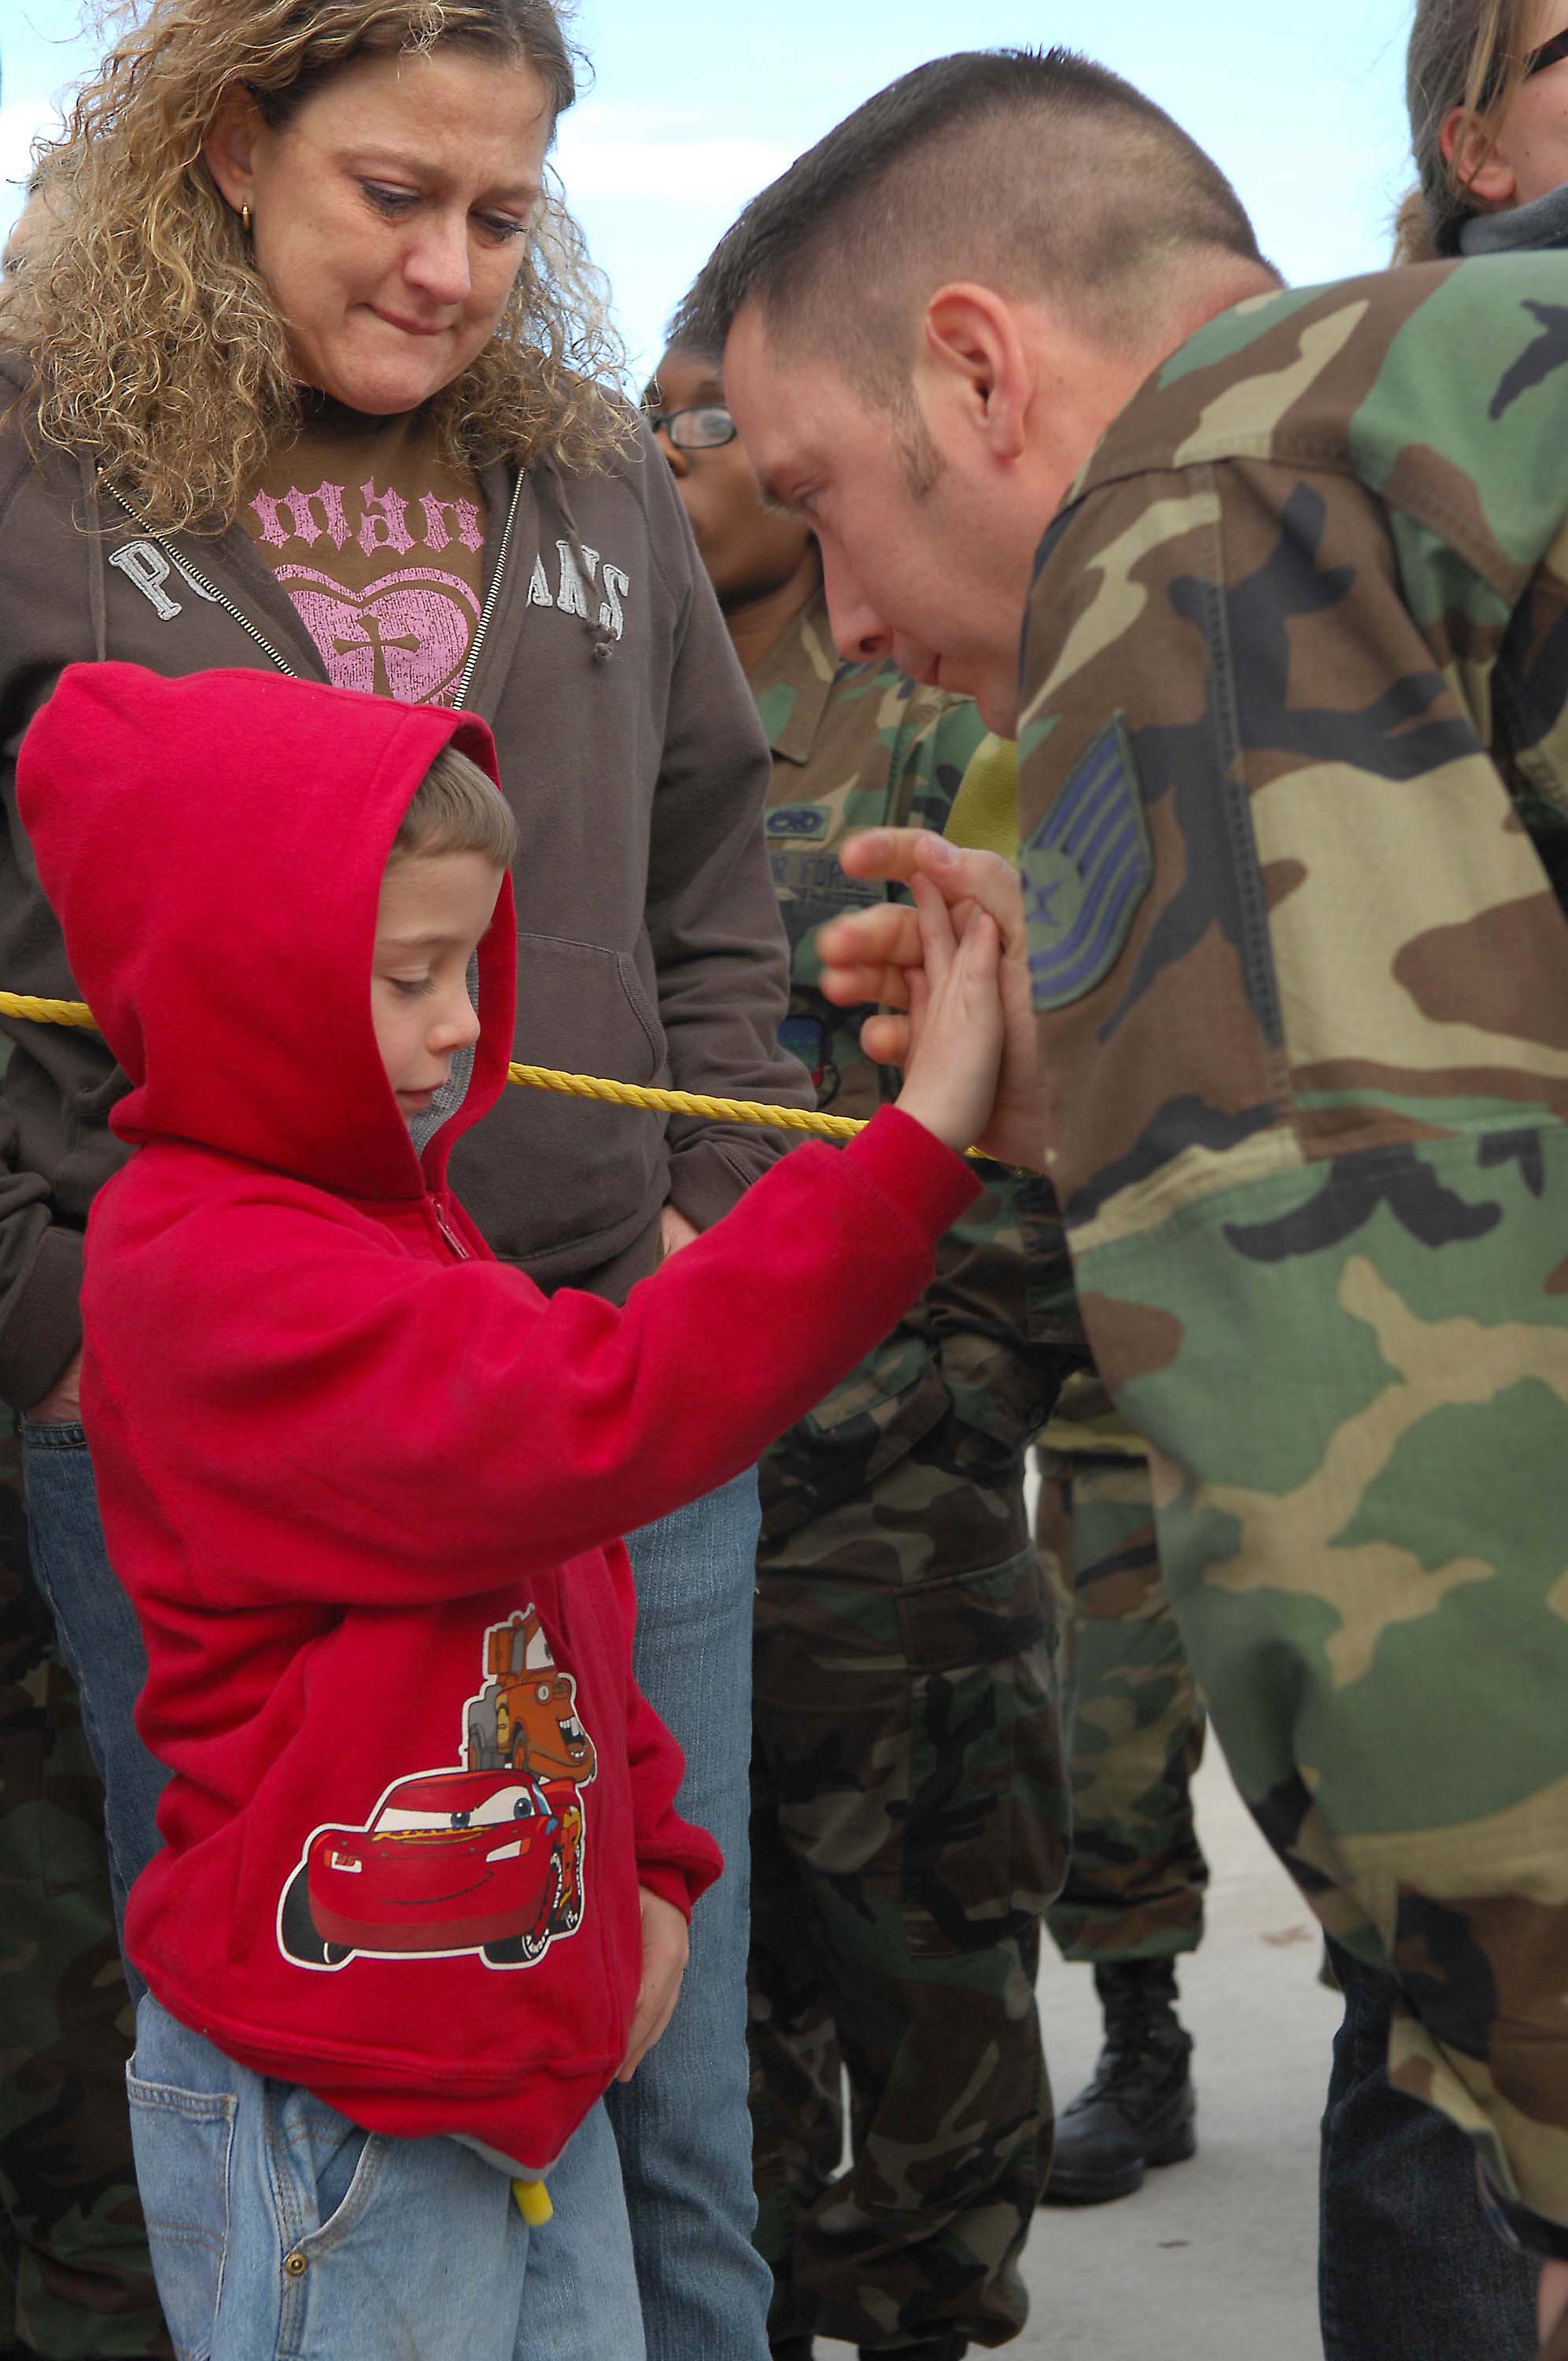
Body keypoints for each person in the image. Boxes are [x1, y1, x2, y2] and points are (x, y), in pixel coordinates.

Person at [673, 42, 1568, 2359]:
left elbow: (1379, 1459)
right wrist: (1120, 1090)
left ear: (975, 370)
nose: (848, 613)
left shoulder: (1201, 506)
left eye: (815, 490)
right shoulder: (1458, 395)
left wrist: (1545, 2100)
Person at [0, 6, 809, 2352]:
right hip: (205, 1442)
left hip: (595, 1394)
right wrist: (44, 1322)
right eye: (391, 195)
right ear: (234, 143)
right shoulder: (40, 457)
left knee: (662, 2071)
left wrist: (700, 1207)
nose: (450, 266)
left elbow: (703, 836)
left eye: (502, 216)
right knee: (314, 2064)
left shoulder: (589, 464)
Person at [17, 654, 1002, 2360]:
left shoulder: (398, 1227)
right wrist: (909, 1151)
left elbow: (557, 1589)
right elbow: (593, 1423)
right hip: (341, 2106)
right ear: (243, 983)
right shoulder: (221, 1277)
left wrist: (656, 1868)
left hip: (504, 2068)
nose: (466, 1024)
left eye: (469, 966)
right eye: (408, 978)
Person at [647, 339, 1067, 2361]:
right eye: (649, 420)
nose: (671, 458)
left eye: (712, 427)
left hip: (893, 1533)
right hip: (670, 1512)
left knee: (931, 2062)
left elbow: (1036, 1122)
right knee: (714, 2066)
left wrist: (930, 1405)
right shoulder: (609, 722)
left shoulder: (933, 714)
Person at [1034, 1376, 1206, 2207]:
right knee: (1107, 1764)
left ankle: (1411, 2068)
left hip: (1345, 1405)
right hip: (1117, 1429)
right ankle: (1143, 2044)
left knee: (1373, 1760)